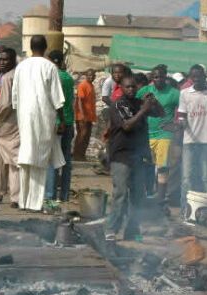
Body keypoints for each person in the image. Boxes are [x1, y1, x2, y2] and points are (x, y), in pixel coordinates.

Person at [106, 76, 163, 241]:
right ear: (121, 88)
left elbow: (161, 113)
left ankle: (132, 230)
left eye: (133, 87)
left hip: (138, 155)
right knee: (121, 193)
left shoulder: (139, 103)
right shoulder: (118, 105)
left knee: (138, 195)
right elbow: (127, 126)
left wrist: (153, 101)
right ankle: (111, 228)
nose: (131, 90)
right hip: (121, 154)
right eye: (127, 87)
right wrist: (144, 110)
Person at [12, 35, 66, 211]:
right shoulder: (50, 67)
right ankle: (35, 203)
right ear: (46, 48)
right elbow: (57, 98)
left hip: (24, 117)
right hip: (43, 117)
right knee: (40, 160)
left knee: (27, 157)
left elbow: (14, 96)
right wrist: (62, 120)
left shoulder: (21, 67)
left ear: (30, 46)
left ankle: (23, 201)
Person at [177, 64, 207, 219]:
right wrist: (182, 123)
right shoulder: (184, 93)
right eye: (193, 76)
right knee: (186, 178)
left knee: (206, 177)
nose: (196, 79)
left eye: (199, 76)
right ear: (190, 78)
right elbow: (181, 115)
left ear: (204, 76)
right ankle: (185, 210)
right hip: (189, 141)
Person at [137, 65, 181, 204]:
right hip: (147, 134)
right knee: (146, 165)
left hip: (164, 134)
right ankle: (146, 195)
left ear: (166, 77)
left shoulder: (174, 93)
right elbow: (133, 103)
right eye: (156, 77)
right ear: (152, 78)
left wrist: (176, 125)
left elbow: (186, 110)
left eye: (161, 77)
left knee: (162, 167)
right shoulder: (146, 90)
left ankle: (161, 199)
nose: (158, 79)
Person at [0, 48, 20, 208]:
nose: (2, 62)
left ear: (13, 60)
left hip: (7, 121)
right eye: (0, 59)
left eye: (5, 59)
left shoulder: (7, 77)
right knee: (6, 158)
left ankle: (6, 193)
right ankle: (7, 193)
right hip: (19, 120)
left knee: (7, 157)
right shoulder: (18, 74)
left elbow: (5, 104)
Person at [45, 50, 75, 203]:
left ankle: (50, 196)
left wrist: (58, 121)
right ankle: (64, 195)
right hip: (69, 123)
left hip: (56, 123)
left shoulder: (52, 77)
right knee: (66, 161)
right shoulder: (68, 78)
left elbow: (56, 103)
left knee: (52, 161)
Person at [74, 69, 97, 161]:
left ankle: (82, 155)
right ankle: (77, 155)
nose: (91, 77)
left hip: (89, 116)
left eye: (92, 75)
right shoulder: (83, 85)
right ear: (86, 75)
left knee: (86, 136)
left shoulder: (91, 85)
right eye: (89, 75)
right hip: (82, 116)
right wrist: (82, 114)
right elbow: (79, 100)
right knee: (81, 135)